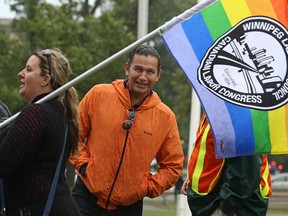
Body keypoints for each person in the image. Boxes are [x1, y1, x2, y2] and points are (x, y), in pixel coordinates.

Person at [69, 44, 184, 216]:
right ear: (127, 69)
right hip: (85, 198)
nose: (143, 77)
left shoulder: (165, 117)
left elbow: (173, 165)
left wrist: (147, 187)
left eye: (150, 72)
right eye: (138, 69)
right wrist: (85, 166)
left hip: (129, 208)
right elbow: (72, 135)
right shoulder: (99, 94)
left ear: (158, 75)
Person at [0, 48, 80, 215]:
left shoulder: (36, 113)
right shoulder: (60, 111)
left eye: (28, 69)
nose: (20, 74)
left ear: (45, 79)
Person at [181, 112, 272, 216]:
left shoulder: (238, 114)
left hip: (232, 207)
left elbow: (245, 176)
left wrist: (225, 209)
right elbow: (209, 152)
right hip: (213, 203)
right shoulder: (216, 110)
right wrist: (193, 180)